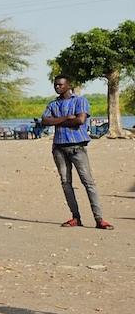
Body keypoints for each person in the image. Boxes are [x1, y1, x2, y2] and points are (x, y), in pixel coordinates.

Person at [41, 75, 113, 229]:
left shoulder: (80, 101)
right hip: (59, 148)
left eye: (60, 85)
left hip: (77, 147)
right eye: (55, 85)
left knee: (88, 182)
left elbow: (80, 120)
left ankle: (99, 219)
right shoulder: (53, 104)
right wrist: (67, 117)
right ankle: (76, 217)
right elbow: (45, 121)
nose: (57, 87)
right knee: (66, 183)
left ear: (68, 85)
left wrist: (58, 121)